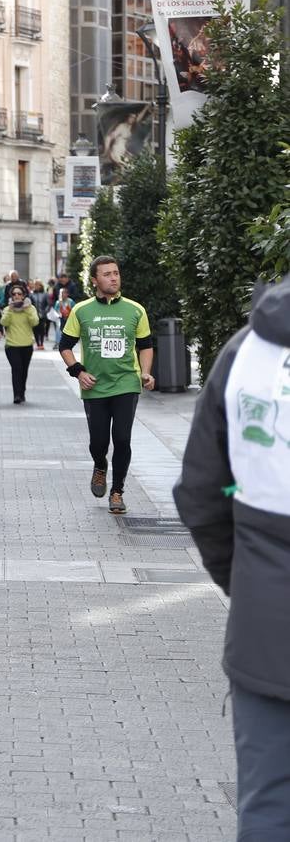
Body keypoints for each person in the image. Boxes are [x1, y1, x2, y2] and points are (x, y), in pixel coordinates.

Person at [173, 278, 290, 842]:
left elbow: (198, 493)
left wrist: (246, 585)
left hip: (268, 630)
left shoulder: (249, 350)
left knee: (268, 806)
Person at [58, 256, 155, 515]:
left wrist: (145, 373)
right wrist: (78, 372)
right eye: (107, 274)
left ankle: (117, 491)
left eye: (116, 273)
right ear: (95, 280)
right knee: (98, 442)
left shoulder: (135, 310)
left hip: (126, 383)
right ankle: (100, 465)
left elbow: (145, 346)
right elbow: (64, 346)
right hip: (95, 386)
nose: (113, 278)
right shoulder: (82, 310)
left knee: (122, 438)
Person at [0, 282, 37, 405]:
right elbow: (4, 322)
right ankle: (16, 395)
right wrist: (10, 310)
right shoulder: (7, 309)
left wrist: (27, 310)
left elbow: (35, 322)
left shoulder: (30, 308)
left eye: (19, 294)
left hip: (27, 345)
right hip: (12, 345)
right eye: (14, 294)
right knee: (16, 369)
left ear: (24, 295)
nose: (16, 296)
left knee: (24, 370)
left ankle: (22, 392)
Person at [29, 280, 51, 350]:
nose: (37, 286)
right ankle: (38, 343)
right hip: (34, 314)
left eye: (38, 285)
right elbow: (30, 304)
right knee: (35, 329)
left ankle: (41, 343)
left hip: (42, 315)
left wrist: (45, 311)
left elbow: (48, 304)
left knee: (42, 329)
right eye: (36, 285)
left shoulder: (45, 294)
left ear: (41, 286)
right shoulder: (31, 294)